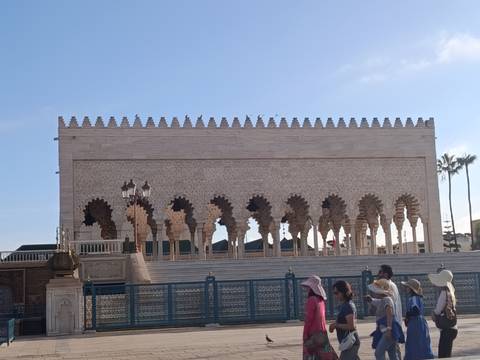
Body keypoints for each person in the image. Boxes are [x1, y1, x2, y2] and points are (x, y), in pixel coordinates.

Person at [366, 279, 405, 360]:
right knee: (392, 353)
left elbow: (389, 314)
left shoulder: (387, 300)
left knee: (379, 352)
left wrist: (389, 329)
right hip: (388, 329)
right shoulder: (383, 300)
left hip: (388, 330)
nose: (374, 292)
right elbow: (377, 302)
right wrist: (371, 300)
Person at [301, 275, 338, 360]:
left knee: (311, 356)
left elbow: (308, 319)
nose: (307, 289)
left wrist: (305, 334)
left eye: (309, 287)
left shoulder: (311, 300)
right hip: (322, 334)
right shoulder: (321, 301)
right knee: (325, 356)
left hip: (313, 335)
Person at [400, 279, 434, 360]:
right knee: (422, 342)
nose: (406, 289)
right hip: (420, 322)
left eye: (407, 287)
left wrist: (408, 315)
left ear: (411, 289)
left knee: (414, 343)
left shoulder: (413, 298)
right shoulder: (418, 297)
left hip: (415, 323)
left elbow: (416, 310)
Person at [429, 270, 458, 358]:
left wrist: (433, 314)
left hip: (447, 330)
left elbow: (437, 311)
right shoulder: (451, 292)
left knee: (443, 355)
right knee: (447, 354)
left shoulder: (443, 293)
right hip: (452, 328)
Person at [329, 280, 360, 360]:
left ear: (344, 292)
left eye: (337, 293)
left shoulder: (348, 306)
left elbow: (351, 326)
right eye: (334, 293)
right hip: (348, 342)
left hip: (351, 343)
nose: (335, 296)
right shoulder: (345, 305)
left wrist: (336, 325)